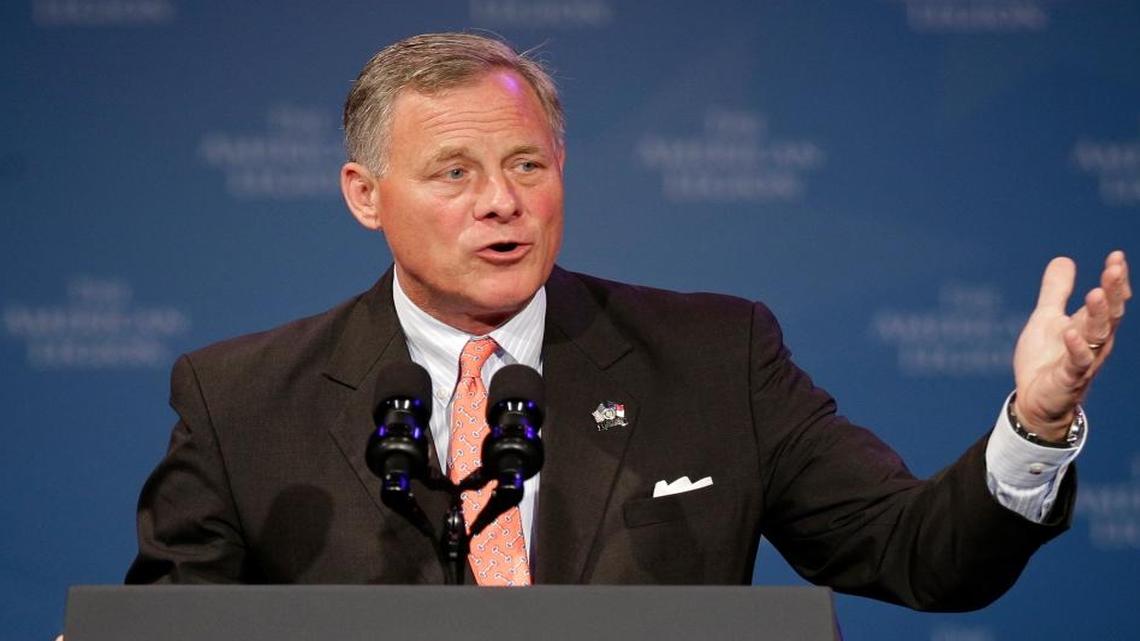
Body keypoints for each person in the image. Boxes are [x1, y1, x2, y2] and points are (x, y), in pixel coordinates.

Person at [126, 33, 1130, 610]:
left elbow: (917, 551)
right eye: (455, 173)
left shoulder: (713, 356)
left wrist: (1035, 427)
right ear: (364, 193)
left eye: (528, 164)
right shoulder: (244, 399)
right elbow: (164, 625)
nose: (502, 201)